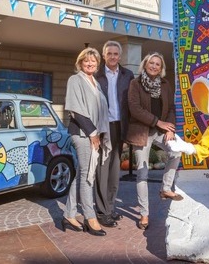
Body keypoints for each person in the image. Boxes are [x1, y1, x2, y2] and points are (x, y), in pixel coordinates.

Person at [126, 52, 182, 230]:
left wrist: (170, 128)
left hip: (161, 131)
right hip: (141, 132)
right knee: (142, 173)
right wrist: (159, 122)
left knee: (176, 151)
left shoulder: (165, 85)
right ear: (145, 64)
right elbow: (134, 109)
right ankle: (144, 214)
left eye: (158, 64)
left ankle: (165, 188)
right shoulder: (135, 84)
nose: (154, 66)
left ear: (161, 68)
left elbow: (172, 108)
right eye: (151, 63)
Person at [63, 47, 110, 236]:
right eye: (86, 61)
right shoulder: (75, 80)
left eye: (93, 61)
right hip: (82, 133)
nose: (90, 63)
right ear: (80, 63)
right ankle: (90, 218)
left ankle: (68, 214)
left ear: (97, 64)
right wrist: (92, 133)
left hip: (93, 133)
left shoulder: (96, 84)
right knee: (87, 175)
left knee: (82, 174)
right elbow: (75, 110)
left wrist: (100, 132)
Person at [94, 40, 135, 228]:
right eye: (109, 53)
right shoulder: (96, 75)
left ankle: (110, 208)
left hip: (120, 126)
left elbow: (132, 104)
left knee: (115, 171)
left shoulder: (128, 75)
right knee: (102, 170)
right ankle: (101, 212)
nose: (112, 57)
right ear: (104, 56)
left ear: (120, 56)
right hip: (102, 127)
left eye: (115, 54)